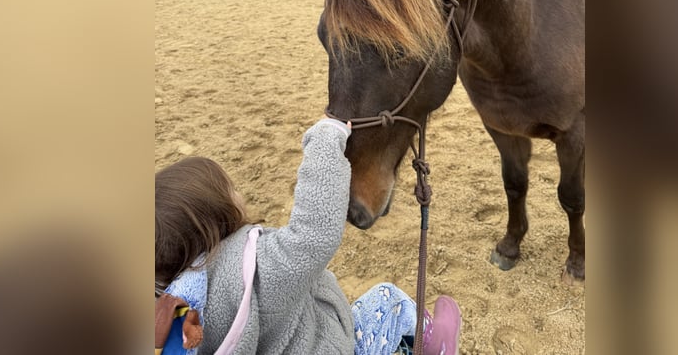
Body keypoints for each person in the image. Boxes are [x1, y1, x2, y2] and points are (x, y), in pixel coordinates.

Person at [155, 118, 461, 355]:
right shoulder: (254, 269)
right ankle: (433, 342)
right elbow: (313, 233)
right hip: (334, 347)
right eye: (230, 190)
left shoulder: (178, 309)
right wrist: (328, 136)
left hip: (302, 336)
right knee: (387, 298)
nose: (238, 192)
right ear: (215, 217)